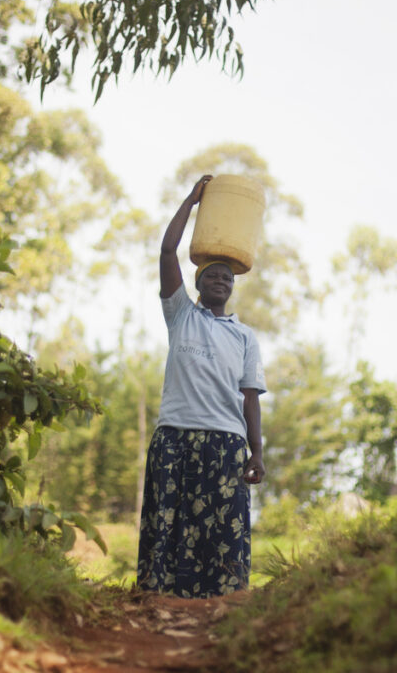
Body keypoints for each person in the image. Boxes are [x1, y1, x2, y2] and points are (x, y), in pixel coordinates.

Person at [136, 174, 266, 598]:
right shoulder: (181, 316)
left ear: (233, 287)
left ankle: (220, 615)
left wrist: (257, 451)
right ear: (196, 283)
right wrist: (192, 201)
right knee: (167, 529)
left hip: (227, 444)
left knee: (223, 538)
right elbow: (167, 250)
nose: (222, 279)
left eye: (228, 277)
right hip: (174, 436)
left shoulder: (244, 337)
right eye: (213, 274)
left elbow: (250, 399)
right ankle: (159, 607)